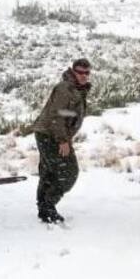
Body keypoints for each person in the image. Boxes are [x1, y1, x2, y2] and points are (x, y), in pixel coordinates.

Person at [31, 58, 92, 223]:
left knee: (49, 172)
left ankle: (44, 209)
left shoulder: (77, 89)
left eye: (87, 73)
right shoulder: (65, 88)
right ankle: (48, 206)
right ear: (73, 71)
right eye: (80, 72)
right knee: (68, 173)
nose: (84, 76)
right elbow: (56, 116)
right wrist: (63, 140)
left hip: (48, 134)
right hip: (50, 135)